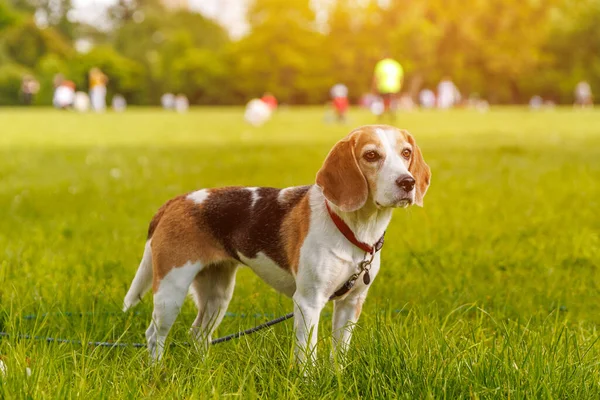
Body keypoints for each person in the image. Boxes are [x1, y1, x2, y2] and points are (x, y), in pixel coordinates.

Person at [372, 55, 404, 120]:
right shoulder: (396, 65)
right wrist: (400, 87)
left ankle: (383, 114)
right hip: (395, 87)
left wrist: (374, 87)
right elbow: (401, 77)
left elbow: (376, 77)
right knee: (391, 101)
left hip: (383, 86)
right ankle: (391, 113)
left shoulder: (381, 64)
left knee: (384, 101)